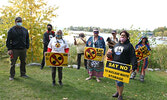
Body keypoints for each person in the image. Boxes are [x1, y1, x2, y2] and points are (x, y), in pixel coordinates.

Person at [111, 30, 137, 100]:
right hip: (116, 65)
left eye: (124, 36)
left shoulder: (129, 46)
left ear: (127, 37)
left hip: (124, 66)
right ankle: (117, 92)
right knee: (116, 80)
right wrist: (109, 55)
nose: (122, 37)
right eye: (121, 35)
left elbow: (133, 56)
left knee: (120, 81)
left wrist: (134, 66)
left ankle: (120, 95)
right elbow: (113, 54)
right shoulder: (116, 45)